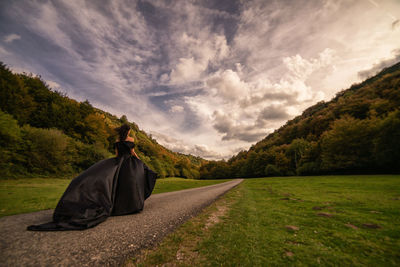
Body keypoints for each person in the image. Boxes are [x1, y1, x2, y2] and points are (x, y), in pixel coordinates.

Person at [27, 124, 157, 231]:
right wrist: (141, 163)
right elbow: (132, 153)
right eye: (129, 130)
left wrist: (116, 163)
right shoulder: (131, 141)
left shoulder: (117, 141)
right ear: (128, 131)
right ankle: (129, 206)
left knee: (113, 183)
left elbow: (117, 154)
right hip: (129, 163)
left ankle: (119, 206)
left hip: (118, 162)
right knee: (128, 184)